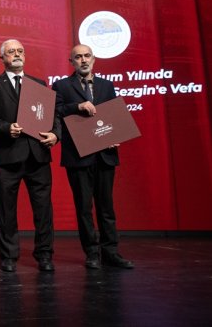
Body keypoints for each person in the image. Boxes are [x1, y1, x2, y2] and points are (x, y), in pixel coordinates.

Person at [52, 44, 134, 269]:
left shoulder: (107, 85)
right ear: (71, 62)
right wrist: (78, 106)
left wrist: (117, 134)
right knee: (84, 207)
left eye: (87, 56)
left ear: (94, 59)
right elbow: (54, 111)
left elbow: (114, 114)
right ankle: (91, 253)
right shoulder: (61, 85)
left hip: (105, 154)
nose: (83, 60)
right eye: (78, 57)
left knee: (106, 206)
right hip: (78, 156)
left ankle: (111, 251)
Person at [0, 39, 59, 273]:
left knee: (43, 209)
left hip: (38, 155)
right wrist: (6, 128)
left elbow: (52, 115)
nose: (16, 55)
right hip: (7, 155)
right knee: (7, 210)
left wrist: (55, 135)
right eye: (11, 52)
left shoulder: (39, 84)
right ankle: (8, 255)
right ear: (2, 58)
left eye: (20, 51)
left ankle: (44, 255)